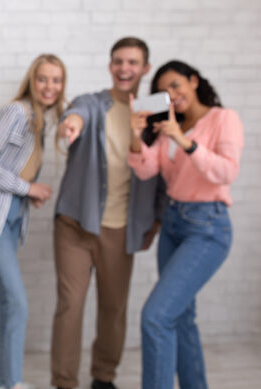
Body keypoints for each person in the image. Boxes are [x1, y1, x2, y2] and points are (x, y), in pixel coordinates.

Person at [51, 37, 165, 389]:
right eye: (118, 61)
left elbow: (164, 172)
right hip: (75, 224)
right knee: (71, 304)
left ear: (145, 68)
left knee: (113, 310)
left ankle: (103, 377)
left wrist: (156, 219)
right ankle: (64, 382)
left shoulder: (156, 117)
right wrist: (70, 125)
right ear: (110, 65)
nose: (124, 68)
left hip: (121, 230)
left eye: (132, 62)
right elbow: (77, 115)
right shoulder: (93, 103)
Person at [128, 60, 244, 389]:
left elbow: (226, 172)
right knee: (179, 318)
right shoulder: (168, 126)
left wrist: (185, 140)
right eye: (164, 92)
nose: (172, 94)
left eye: (176, 85)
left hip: (207, 227)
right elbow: (146, 170)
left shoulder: (223, 119)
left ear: (193, 81)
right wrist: (137, 136)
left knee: (156, 316)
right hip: (174, 224)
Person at [0, 54, 66, 389]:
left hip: (11, 217)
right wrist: (28, 187)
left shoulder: (41, 121)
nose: (49, 86)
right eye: (43, 79)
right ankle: (11, 381)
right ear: (31, 80)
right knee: (16, 300)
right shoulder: (17, 112)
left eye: (56, 80)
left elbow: (12, 168)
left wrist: (28, 194)